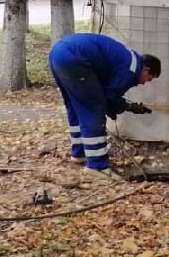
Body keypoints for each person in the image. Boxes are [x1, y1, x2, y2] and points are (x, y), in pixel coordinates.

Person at [47, 33, 160, 172]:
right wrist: (125, 107)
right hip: (75, 57)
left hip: (57, 53)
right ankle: (97, 166)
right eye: (148, 79)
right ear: (146, 69)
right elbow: (109, 97)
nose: (144, 83)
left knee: (75, 106)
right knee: (94, 108)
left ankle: (79, 153)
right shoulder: (132, 70)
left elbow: (108, 93)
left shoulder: (129, 58)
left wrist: (117, 106)